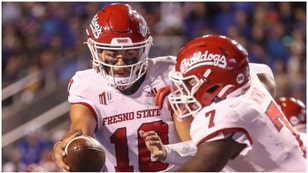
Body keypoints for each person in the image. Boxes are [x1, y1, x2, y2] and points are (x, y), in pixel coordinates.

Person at [53, 3, 195, 172]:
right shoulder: (87, 84)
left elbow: (195, 146)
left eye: (129, 54)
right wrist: (68, 144)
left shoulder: (168, 74)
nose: (120, 63)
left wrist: (168, 151)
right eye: (112, 55)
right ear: (97, 52)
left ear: (143, 49)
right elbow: (80, 129)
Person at [148, 34, 306, 171]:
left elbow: (204, 165)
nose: (181, 91)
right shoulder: (249, 81)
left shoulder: (228, 112)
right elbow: (263, 74)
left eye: (189, 83)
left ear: (212, 85)